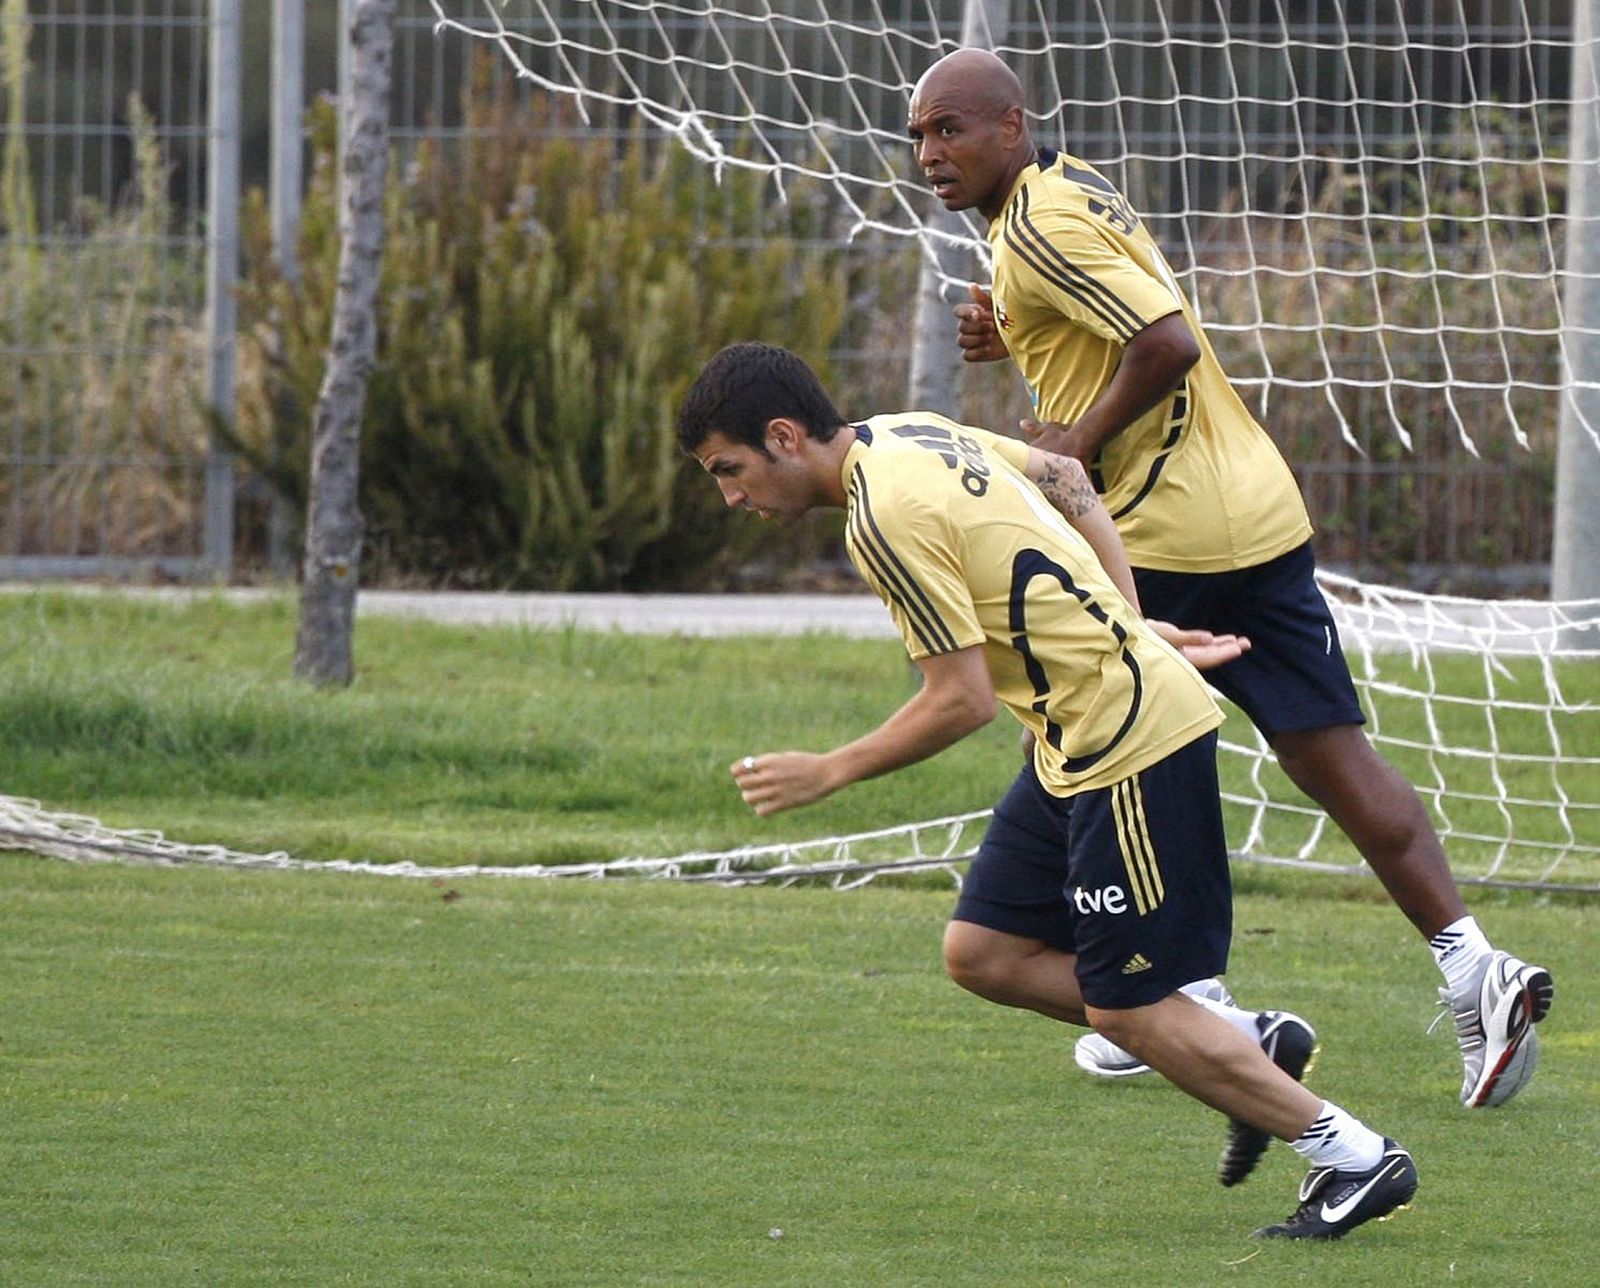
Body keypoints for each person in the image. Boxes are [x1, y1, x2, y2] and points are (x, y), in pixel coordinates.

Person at [906, 47, 1553, 1109]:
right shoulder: (1070, 193)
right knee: (1327, 754)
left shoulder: (1036, 223)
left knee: (1090, 744)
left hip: (1161, 538)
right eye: (921, 135)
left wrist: (1069, 443)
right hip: (1257, 510)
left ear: (1011, 128)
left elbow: (1165, 342)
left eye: (952, 129)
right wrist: (1011, 331)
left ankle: (1168, 999)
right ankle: (1474, 964)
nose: (931, 152)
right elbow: (1118, 310)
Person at [676, 339, 1418, 1239]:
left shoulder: (881, 520)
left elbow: (961, 701)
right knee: (983, 952)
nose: (730, 497)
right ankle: (1244, 1045)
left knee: (1126, 1005)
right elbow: (1066, 474)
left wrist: (832, 769)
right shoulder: (908, 432)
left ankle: (1354, 1157)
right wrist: (1129, 622)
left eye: (729, 470)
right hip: (1071, 737)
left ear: (785, 437)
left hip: (1126, 739)